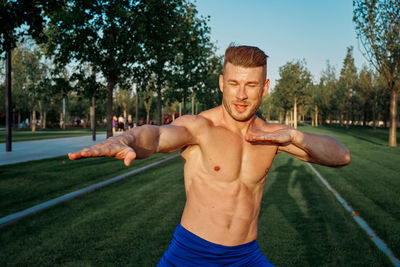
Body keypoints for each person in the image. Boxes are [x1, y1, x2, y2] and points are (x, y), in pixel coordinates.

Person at [68, 45, 350, 266]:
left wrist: (295, 136)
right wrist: (125, 138)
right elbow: (155, 136)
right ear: (221, 83)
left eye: (251, 85)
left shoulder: (273, 136)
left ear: (265, 87)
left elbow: (341, 156)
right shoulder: (200, 127)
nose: (240, 94)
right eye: (233, 83)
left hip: (247, 257)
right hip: (192, 255)